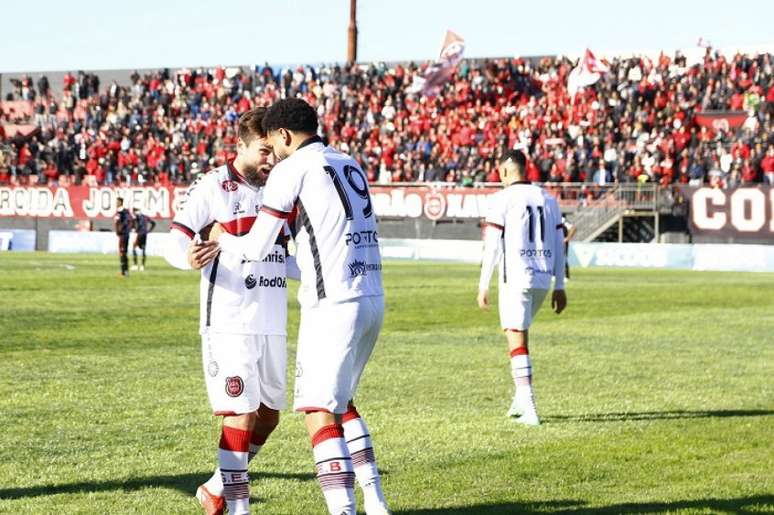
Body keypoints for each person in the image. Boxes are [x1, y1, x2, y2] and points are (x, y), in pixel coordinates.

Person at [212, 98, 390, 515]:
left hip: (333, 306)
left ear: (284, 135)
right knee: (341, 403)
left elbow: (255, 246)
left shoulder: (292, 169)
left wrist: (223, 238)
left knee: (317, 409)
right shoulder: (348, 162)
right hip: (371, 296)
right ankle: (377, 504)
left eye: (273, 144)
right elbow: (318, 250)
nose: (272, 155)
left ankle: (343, 511)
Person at [164, 108, 297, 515]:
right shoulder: (213, 186)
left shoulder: (279, 188)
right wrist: (187, 256)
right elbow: (175, 238)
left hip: (272, 320)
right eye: (262, 151)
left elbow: (282, 257)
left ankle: (218, 486)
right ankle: (237, 509)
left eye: (273, 152)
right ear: (239, 145)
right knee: (240, 415)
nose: (270, 160)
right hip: (230, 319)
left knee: (269, 417)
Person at [477, 149, 567, 426]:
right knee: (520, 331)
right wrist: (560, 285)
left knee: (515, 338)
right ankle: (519, 399)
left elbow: (491, 245)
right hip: (543, 277)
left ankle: (528, 404)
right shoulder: (548, 198)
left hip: (516, 276)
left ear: (505, 171)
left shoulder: (502, 199)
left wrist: (483, 285)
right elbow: (560, 242)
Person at [130, 207, 156, 271]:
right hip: (144, 234)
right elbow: (153, 223)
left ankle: (135, 265)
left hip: (139, 234)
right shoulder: (145, 217)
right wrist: (149, 230)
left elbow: (134, 224)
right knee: (143, 250)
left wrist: (133, 228)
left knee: (134, 248)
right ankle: (142, 266)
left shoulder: (137, 217)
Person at [113, 197, 133, 277]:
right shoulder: (118, 212)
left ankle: (124, 272)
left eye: (117, 202)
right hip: (121, 235)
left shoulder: (124, 212)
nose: (116, 203)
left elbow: (128, 221)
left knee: (123, 253)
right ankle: (124, 271)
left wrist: (121, 228)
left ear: (120, 202)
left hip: (124, 235)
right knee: (122, 253)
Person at [561, 215, 576, 280]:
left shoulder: (562, 220)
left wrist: (567, 238)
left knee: (563, 258)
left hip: (562, 243)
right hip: (555, 242)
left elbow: (573, 228)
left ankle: (566, 276)